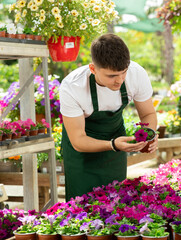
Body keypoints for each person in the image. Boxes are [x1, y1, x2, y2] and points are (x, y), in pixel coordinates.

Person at [59, 33, 157, 201]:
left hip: (115, 146)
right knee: (81, 210)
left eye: (123, 72)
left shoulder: (136, 74)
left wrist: (148, 133)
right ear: (93, 68)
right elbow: (78, 140)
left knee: (115, 204)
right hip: (81, 154)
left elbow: (148, 113)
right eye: (111, 76)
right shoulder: (72, 87)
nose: (119, 80)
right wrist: (113, 144)